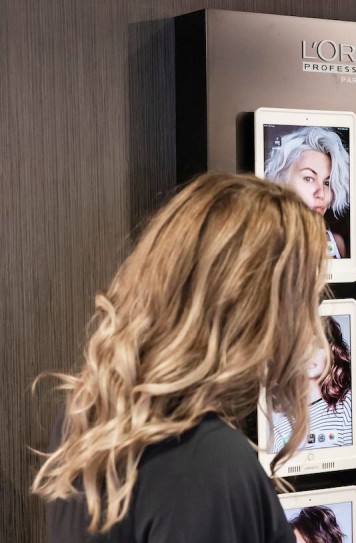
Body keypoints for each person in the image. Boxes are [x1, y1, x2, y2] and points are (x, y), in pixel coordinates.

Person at [32, 173, 330, 542]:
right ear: (262, 309)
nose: (310, 324)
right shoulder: (208, 464)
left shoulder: (89, 413)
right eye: (306, 298)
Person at [264, 126, 350, 258]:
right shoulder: (265, 243)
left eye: (327, 182)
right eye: (309, 178)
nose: (321, 193)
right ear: (281, 180)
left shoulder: (337, 244)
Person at [272, 316, 353, 452]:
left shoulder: (348, 404)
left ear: (332, 351)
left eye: (317, 344)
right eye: (301, 346)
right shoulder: (281, 426)